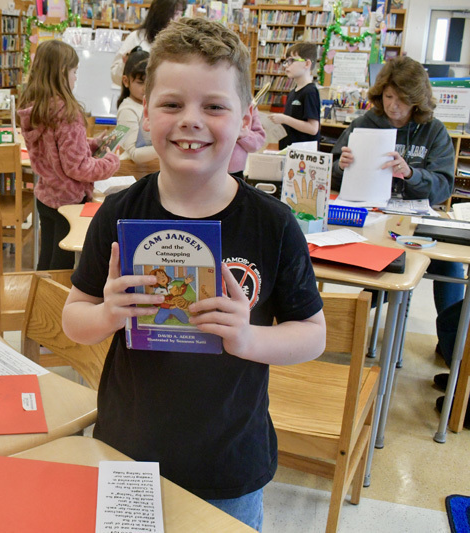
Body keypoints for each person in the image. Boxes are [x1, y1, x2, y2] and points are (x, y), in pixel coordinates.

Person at [62, 18, 326, 530]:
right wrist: (107, 315)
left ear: (246, 117)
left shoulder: (272, 223)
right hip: (128, 450)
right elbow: (75, 318)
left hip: (228, 465)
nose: (191, 121)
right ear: (146, 111)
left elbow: (312, 336)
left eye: (214, 105)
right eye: (171, 104)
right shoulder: (117, 213)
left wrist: (247, 339)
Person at [330, 56, 463, 390]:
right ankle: (345, 325)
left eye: (401, 100)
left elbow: (444, 185)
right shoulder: (365, 122)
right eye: (388, 97)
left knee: (449, 271)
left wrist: (411, 173)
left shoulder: (432, 130)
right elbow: (330, 170)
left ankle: (454, 352)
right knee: (374, 266)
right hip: (371, 217)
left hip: (417, 219)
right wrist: (341, 165)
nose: (393, 106)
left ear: (416, 100)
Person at [18, 39, 119, 270]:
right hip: (69, 200)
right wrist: (111, 161)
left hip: (46, 195)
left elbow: (56, 150)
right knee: (62, 265)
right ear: (63, 72)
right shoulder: (67, 113)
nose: (76, 77)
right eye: (75, 71)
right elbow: (78, 168)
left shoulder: (35, 109)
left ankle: (42, 301)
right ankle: (55, 304)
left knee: (47, 258)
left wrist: (91, 144)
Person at [109, 0, 185, 85]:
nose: (179, 19)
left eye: (181, 14)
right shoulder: (136, 38)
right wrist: (125, 63)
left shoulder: (179, 42)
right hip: (138, 97)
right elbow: (115, 76)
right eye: (176, 14)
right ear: (161, 14)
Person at [269, 42, 320, 150]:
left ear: (307, 64)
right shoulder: (293, 92)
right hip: (289, 149)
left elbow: (313, 128)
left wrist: (284, 119)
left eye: (292, 61)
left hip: (302, 154)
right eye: (286, 61)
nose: (287, 65)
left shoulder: (310, 92)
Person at [116, 48, 157, 164]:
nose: (146, 88)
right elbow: (134, 154)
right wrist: (168, 148)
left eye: (150, 82)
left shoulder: (154, 106)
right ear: (126, 81)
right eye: (140, 82)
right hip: (133, 174)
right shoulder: (127, 110)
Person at [229, 103, 266, 179]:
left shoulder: (248, 102)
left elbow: (259, 140)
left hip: (235, 172)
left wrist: (242, 135)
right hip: (206, 168)